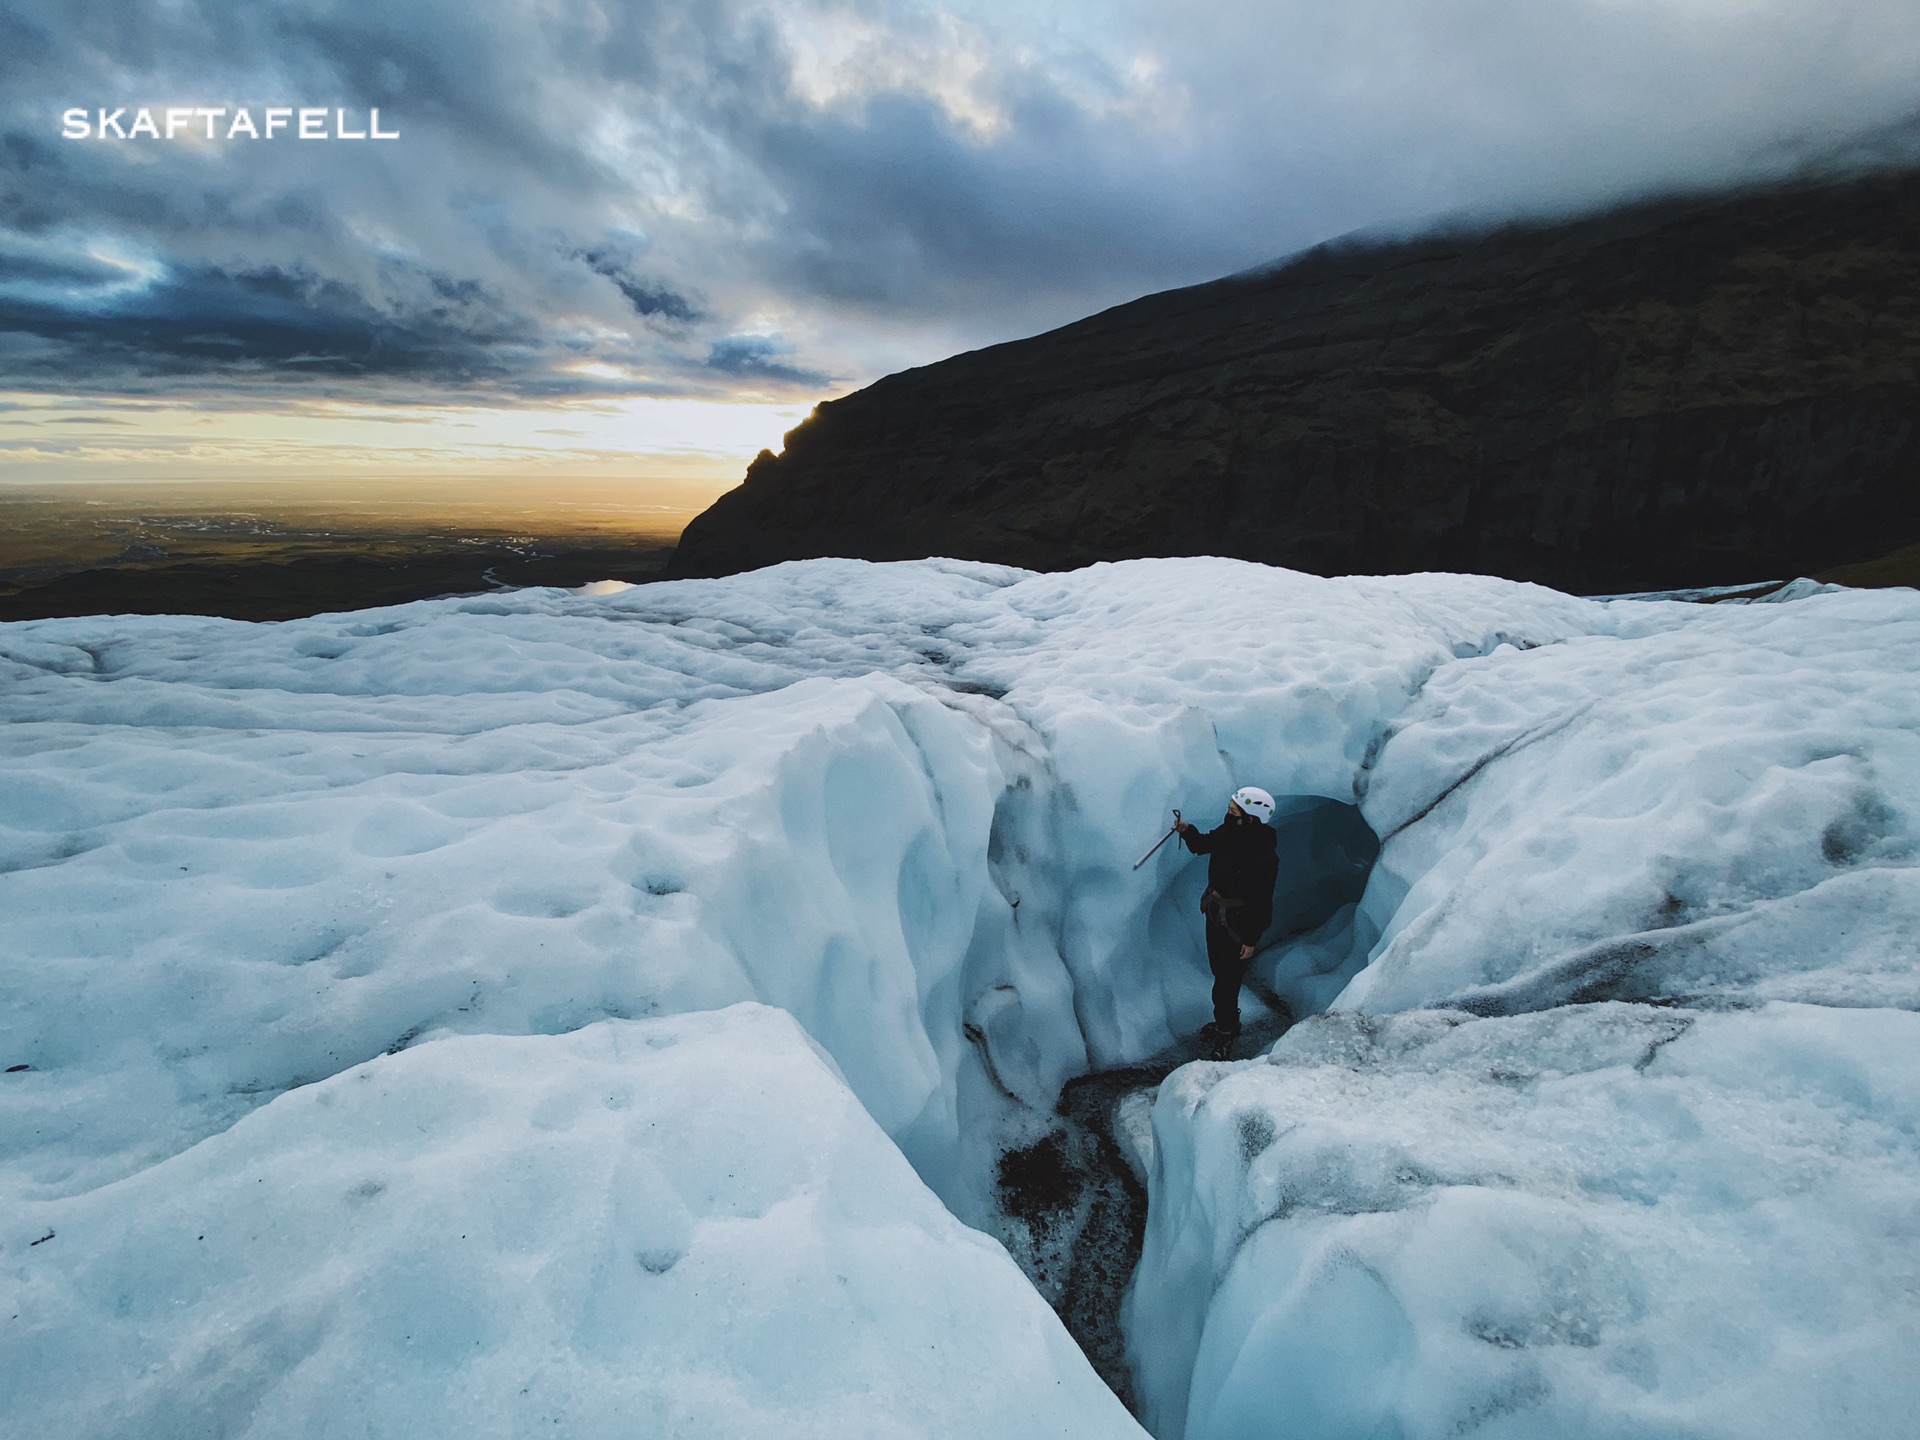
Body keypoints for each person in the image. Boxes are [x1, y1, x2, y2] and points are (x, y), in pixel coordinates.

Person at [1176, 786, 1278, 1059]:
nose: (1228, 815)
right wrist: (1188, 831)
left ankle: (1226, 1030)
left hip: (1238, 924)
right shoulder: (1229, 833)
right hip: (1216, 913)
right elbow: (1203, 845)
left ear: (1251, 818)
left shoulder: (1264, 856)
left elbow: (1262, 900)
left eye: (1234, 812)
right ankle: (1226, 1020)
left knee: (1227, 982)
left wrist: (1251, 939)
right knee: (1219, 970)